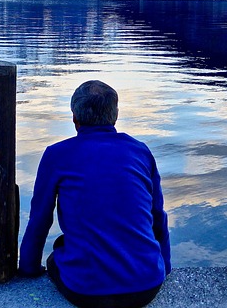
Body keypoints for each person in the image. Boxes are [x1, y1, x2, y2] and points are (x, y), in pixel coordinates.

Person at [18, 80, 171, 308]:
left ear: (74, 118)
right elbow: (157, 216)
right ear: (115, 116)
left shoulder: (56, 155)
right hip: (148, 286)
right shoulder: (140, 151)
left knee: (58, 251)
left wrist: (28, 268)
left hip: (85, 291)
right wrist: (164, 267)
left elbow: (40, 219)